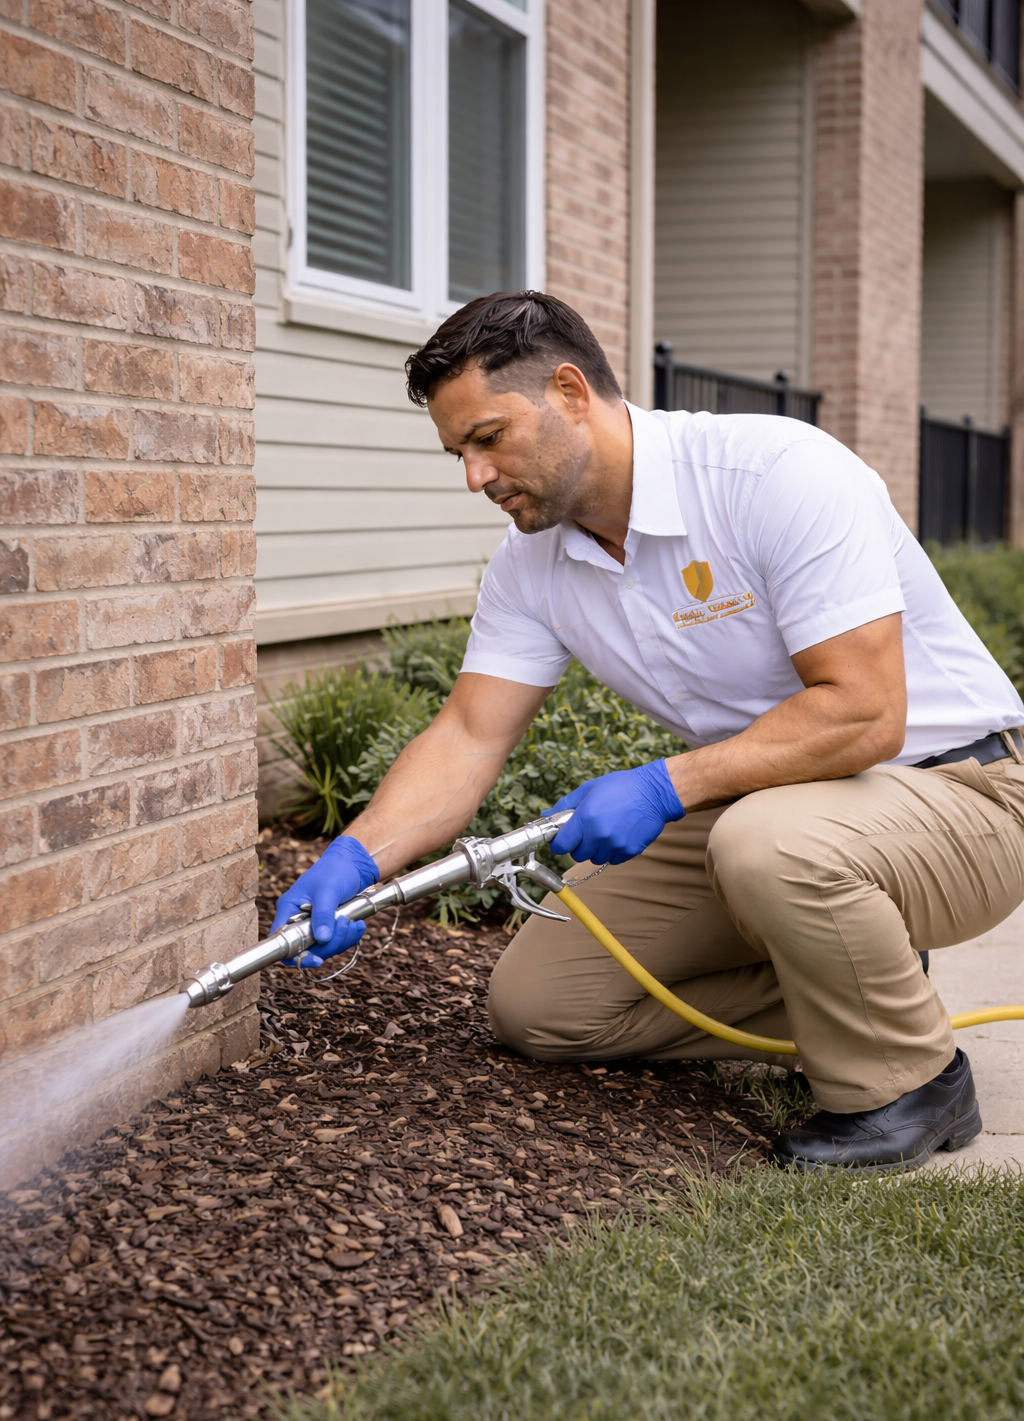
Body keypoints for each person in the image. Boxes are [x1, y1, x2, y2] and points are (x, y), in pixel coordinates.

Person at [273, 290, 1024, 1172]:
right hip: (779, 806)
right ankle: (866, 980)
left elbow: (864, 712)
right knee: (542, 1005)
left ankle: (912, 1084)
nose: (475, 477)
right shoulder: (532, 566)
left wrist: (666, 785)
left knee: (767, 845)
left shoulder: (775, 475)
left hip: (963, 792)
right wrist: (356, 857)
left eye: (488, 438)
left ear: (569, 391)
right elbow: (468, 736)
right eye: (458, 453)